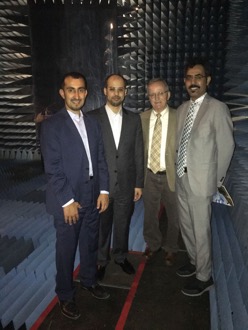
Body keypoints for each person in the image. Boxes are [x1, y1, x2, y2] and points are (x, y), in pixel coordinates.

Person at [40, 72, 110, 320]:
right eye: (71, 90)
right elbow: (53, 168)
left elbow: (100, 158)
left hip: (92, 194)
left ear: (86, 93)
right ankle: (66, 295)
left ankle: (89, 280)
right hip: (68, 199)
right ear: (62, 93)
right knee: (66, 250)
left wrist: (104, 190)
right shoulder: (51, 125)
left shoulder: (92, 123)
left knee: (90, 243)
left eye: (81, 90)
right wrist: (67, 202)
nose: (77, 95)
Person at [175, 58, 235, 296]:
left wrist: (215, 180)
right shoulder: (181, 109)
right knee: (187, 227)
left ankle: (204, 276)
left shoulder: (217, 108)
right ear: (184, 82)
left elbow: (227, 146)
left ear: (207, 80)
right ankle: (193, 262)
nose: (193, 82)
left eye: (198, 77)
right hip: (182, 178)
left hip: (202, 181)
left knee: (201, 230)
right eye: (189, 78)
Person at [88, 74, 144, 281]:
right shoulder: (92, 118)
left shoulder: (134, 119)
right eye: (112, 89)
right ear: (105, 91)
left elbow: (139, 152)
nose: (116, 93)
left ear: (126, 92)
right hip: (102, 186)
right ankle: (101, 260)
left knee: (123, 223)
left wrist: (139, 183)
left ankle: (120, 256)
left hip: (127, 184)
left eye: (120, 89)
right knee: (103, 226)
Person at [140, 78, 179, 266]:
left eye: (160, 93)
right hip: (149, 175)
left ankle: (171, 248)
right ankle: (153, 244)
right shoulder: (142, 118)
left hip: (170, 175)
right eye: (152, 94)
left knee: (174, 215)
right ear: (148, 97)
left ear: (168, 95)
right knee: (149, 214)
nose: (156, 98)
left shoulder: (179, 117)